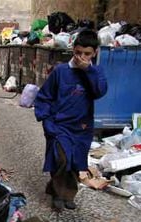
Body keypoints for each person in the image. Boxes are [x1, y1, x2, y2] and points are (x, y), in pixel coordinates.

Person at [34, 30, 107, 211]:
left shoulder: (96, 72)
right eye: (78, 52)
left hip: (82, 127)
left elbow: (99, 91)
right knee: (61, 159)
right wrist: (47, 121)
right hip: (59, 125)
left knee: (76, 162)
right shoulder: (60, 71)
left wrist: (88, 71)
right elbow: (44, 96)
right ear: (73, 50)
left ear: (95, 53)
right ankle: (59, 195)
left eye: (87, 54)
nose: (81, 57)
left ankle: (66, 193)